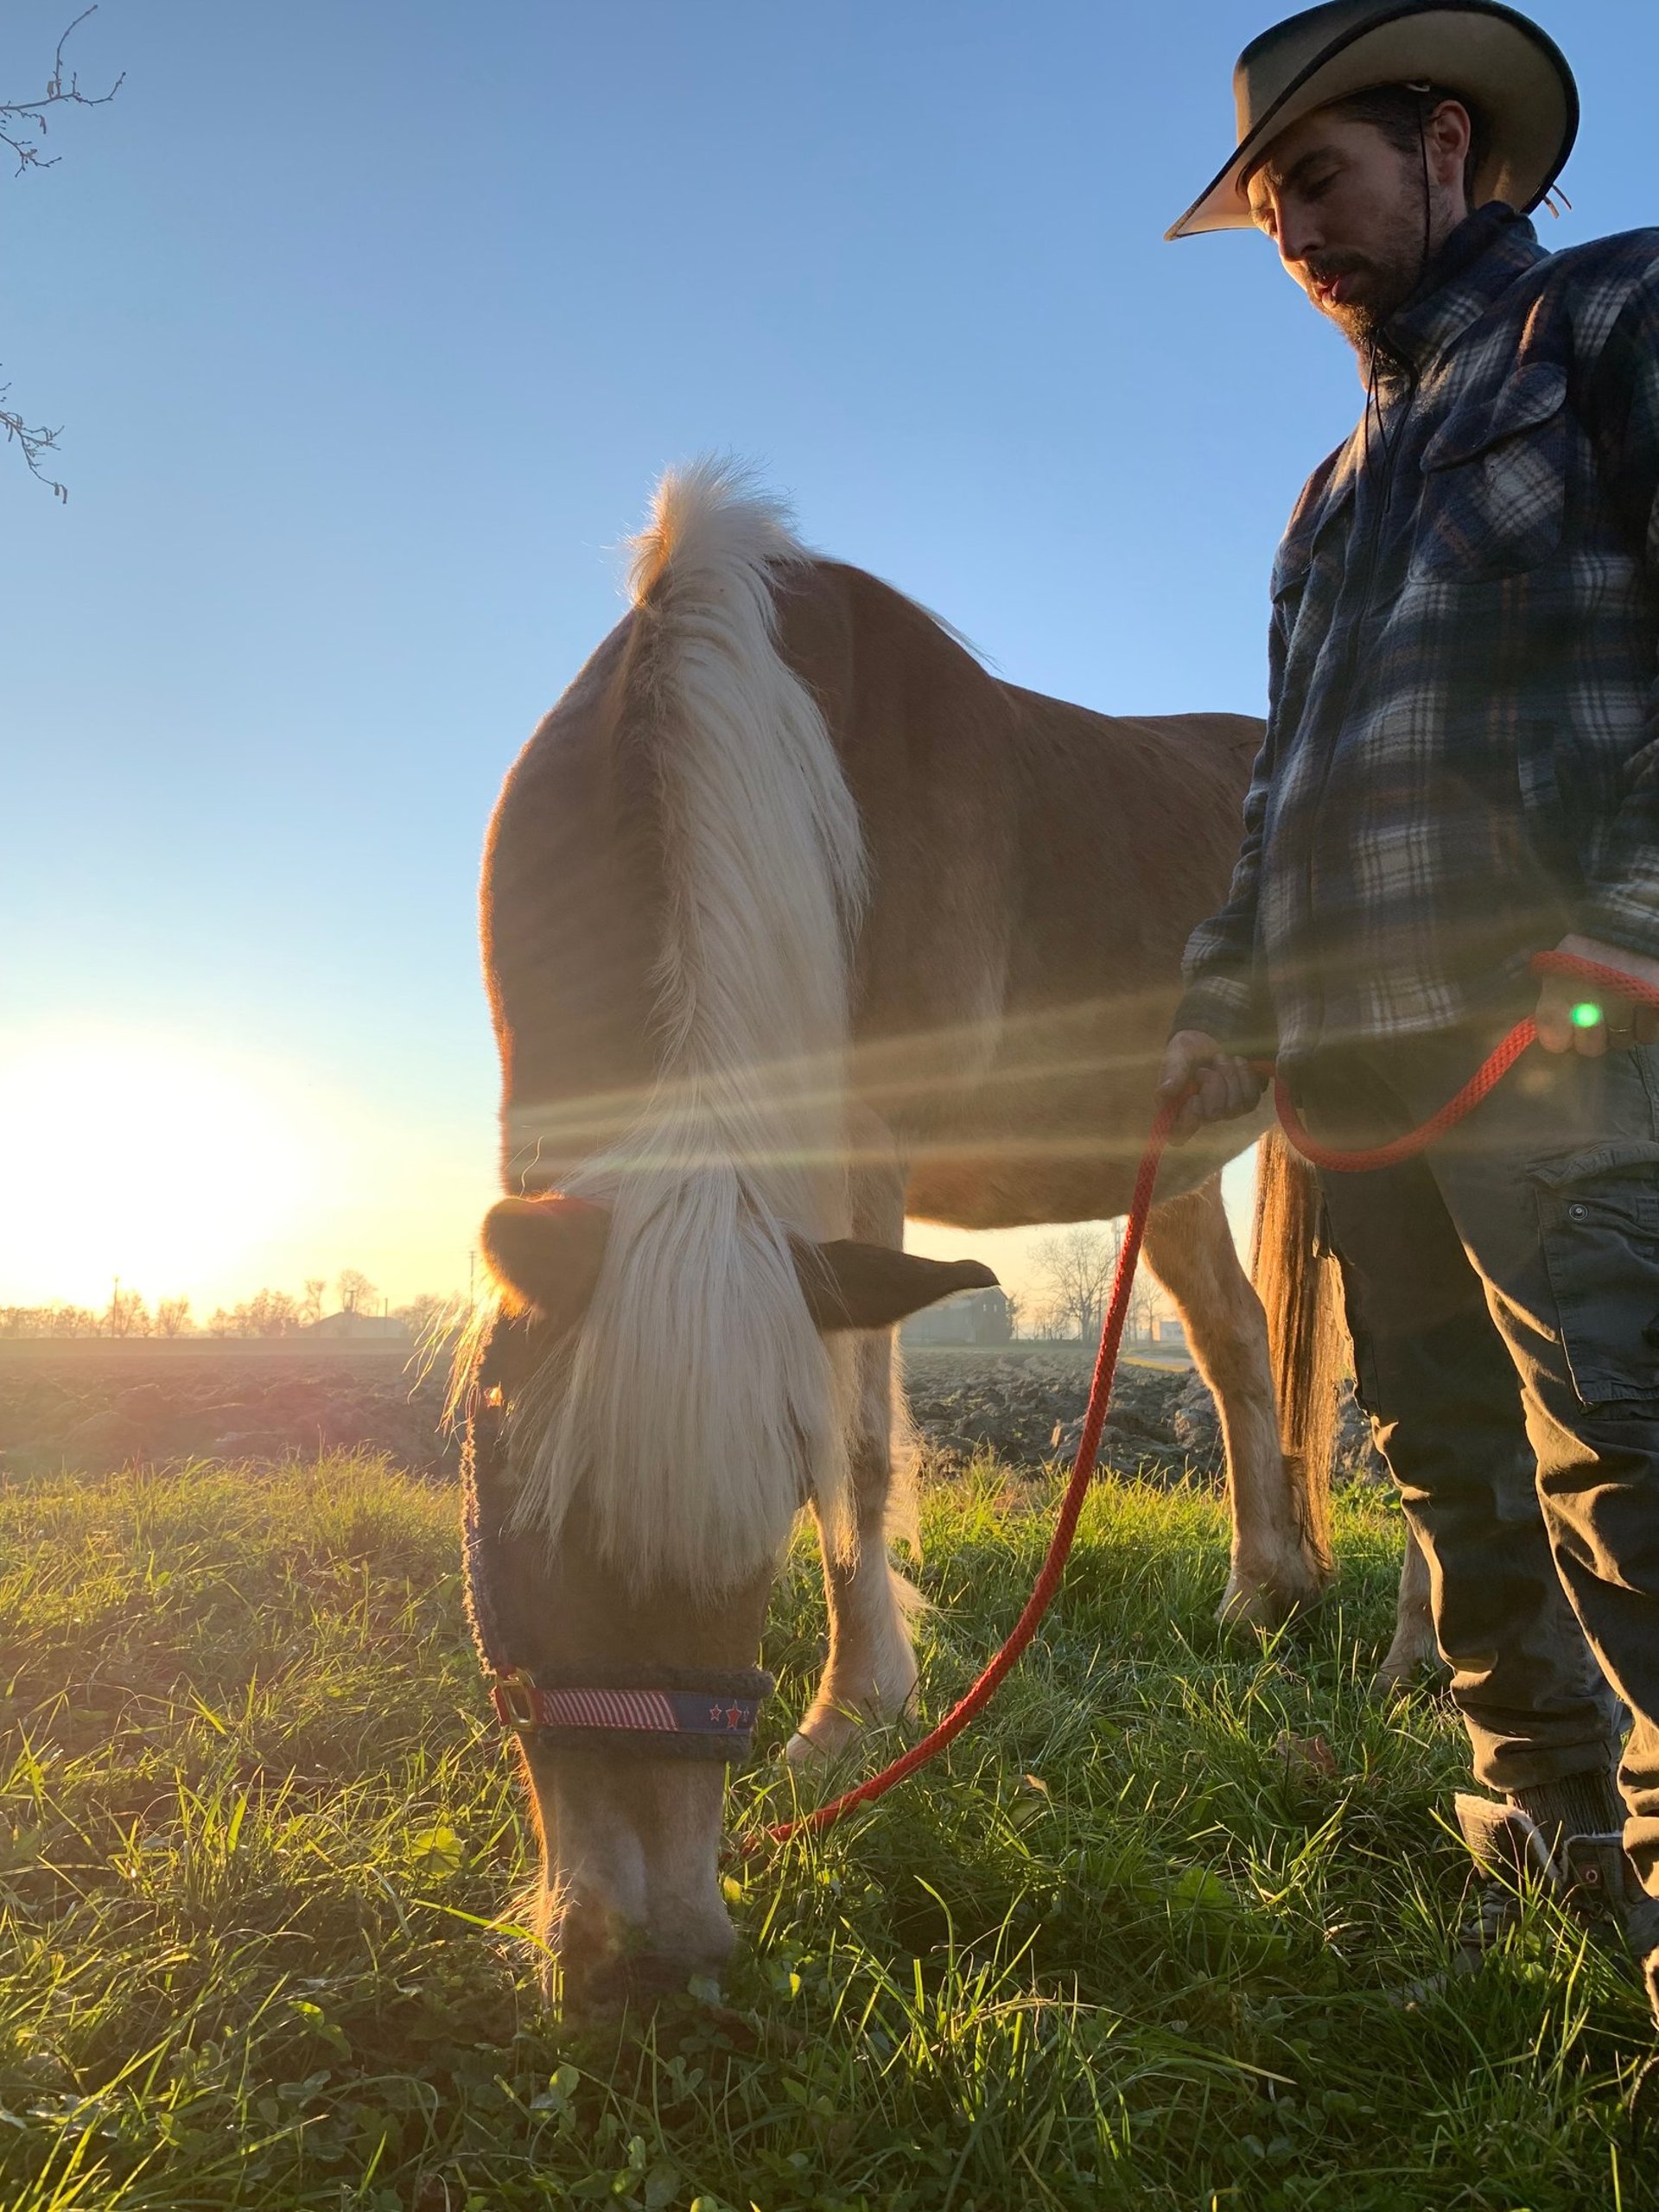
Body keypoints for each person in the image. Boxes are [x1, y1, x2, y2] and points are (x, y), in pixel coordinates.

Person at [1156, 0, 1659, 2045]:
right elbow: (1287, 789)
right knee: (1451, 1475)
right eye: (1275, 215)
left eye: (1323, 186)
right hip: (1355, 1083)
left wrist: (1634, 916)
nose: (1301, 241)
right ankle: (1541, 1849)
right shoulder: (1326, 496)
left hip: (1566, 1032)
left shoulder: (1613, 324)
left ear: (1453, 143)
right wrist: (1219, 1008)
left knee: (1625, 1453)